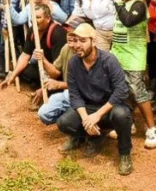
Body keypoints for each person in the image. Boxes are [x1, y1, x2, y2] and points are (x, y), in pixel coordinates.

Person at [55, 24, 133, 176]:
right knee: (64, 123)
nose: (77, 45)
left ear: (94, 41)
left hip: (110, 108)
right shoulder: (73, 63)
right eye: (76, 41)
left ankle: (124, 154)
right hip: (88, 107)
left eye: (83, 41)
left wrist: (97, 116)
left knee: (122, 115)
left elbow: (121, 91)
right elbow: (75, 95)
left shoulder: (109, 60)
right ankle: (88, 137)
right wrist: (86, 119)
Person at [108, 0, 156, 149]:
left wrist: (117, 5)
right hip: (118, 55)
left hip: (134, 58)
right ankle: (127, 123)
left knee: (138, 92)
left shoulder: (138, 4)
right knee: (121, 90)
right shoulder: (124, 2)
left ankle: (152, 128)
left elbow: (128, 21)